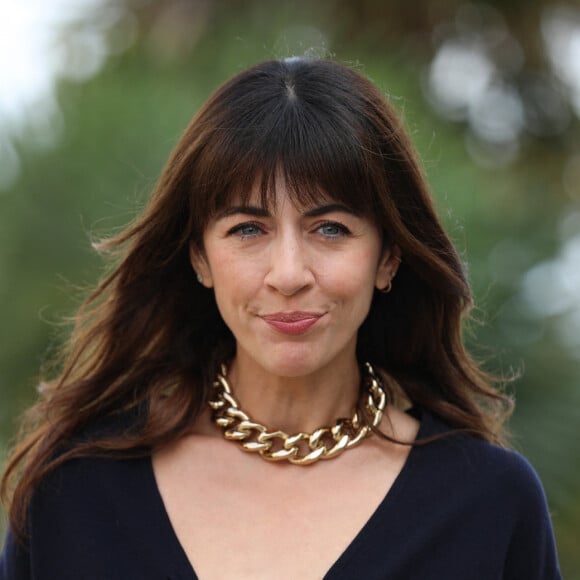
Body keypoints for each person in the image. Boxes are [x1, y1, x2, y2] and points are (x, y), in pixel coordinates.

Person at [0, 57, 561, 580]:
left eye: (331, 229)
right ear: (200, 256)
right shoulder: (72, 493)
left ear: (388, 257)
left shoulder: (490, 503)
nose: (289, 273)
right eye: (248, 229)